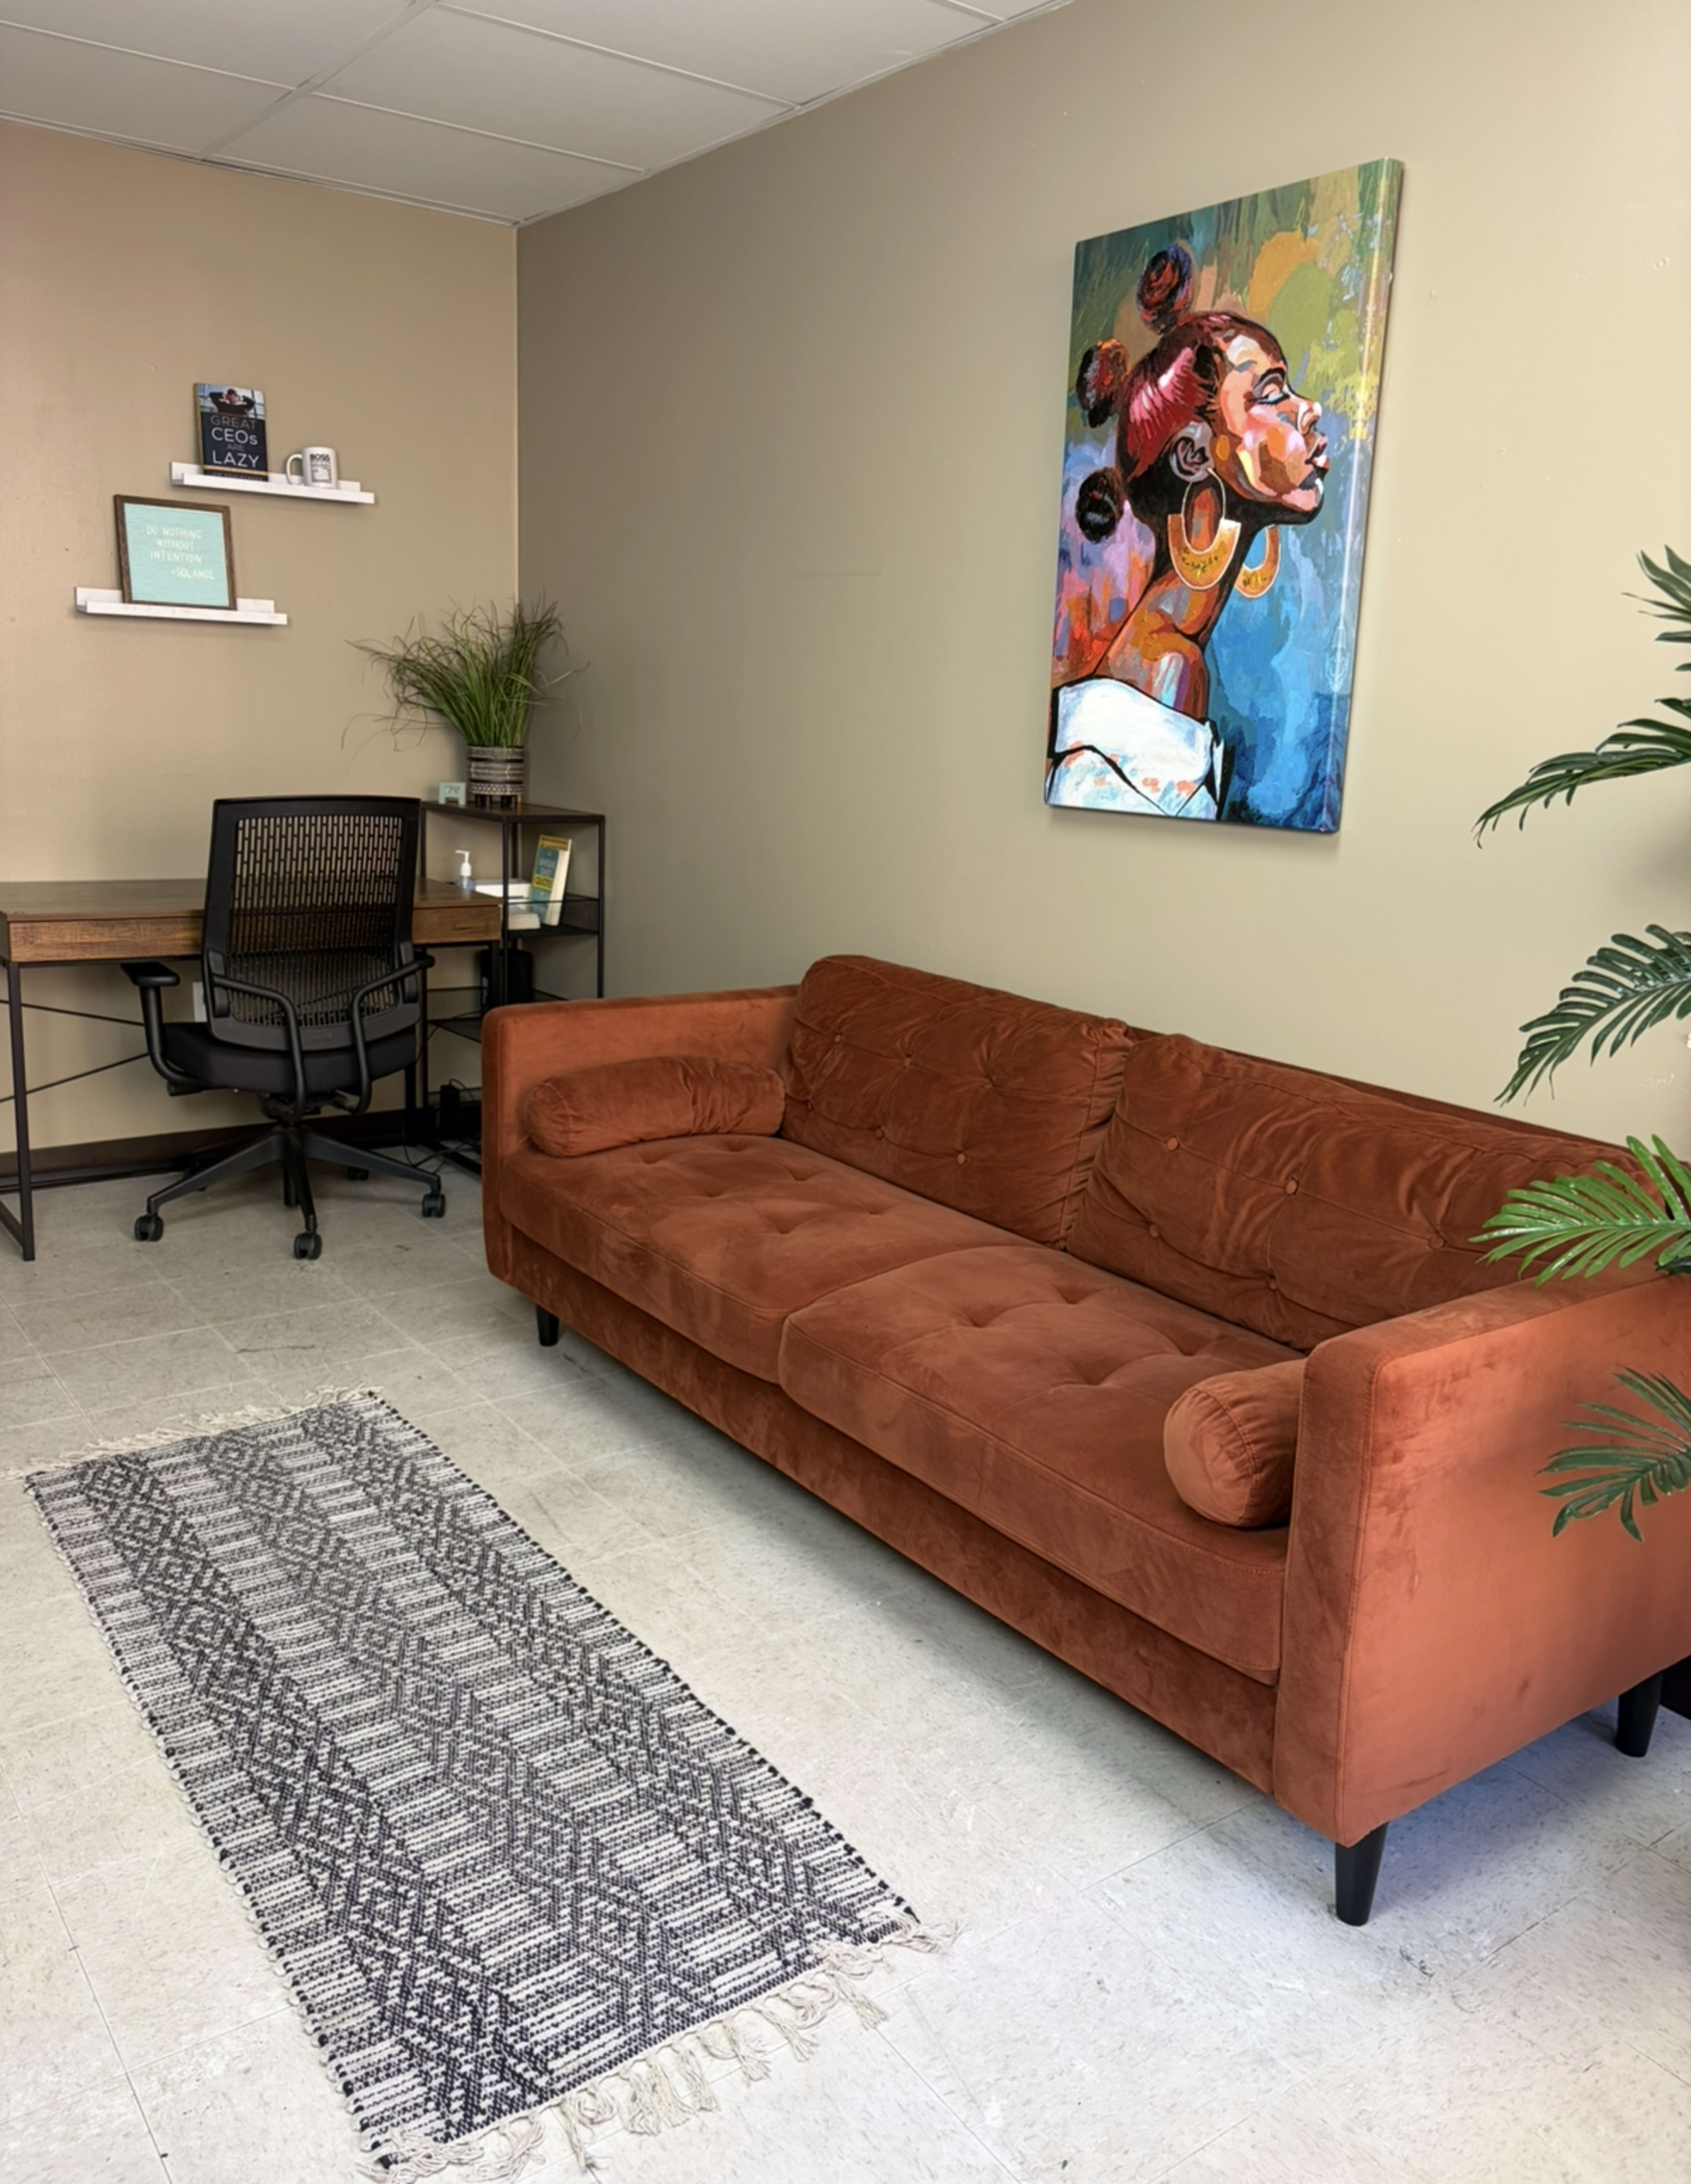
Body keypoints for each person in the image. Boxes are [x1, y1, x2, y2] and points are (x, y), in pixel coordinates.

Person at [1047, 242, 1328, 821]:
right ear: (1194, 456)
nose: (1309, 410)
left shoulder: (1173, 650)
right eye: (1271, 394)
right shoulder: (1168, 666)